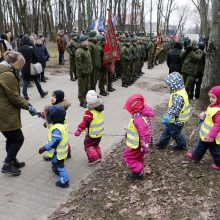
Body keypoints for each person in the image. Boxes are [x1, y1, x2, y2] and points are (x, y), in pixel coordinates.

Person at [0, 51, 38, 176]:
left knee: (11, 138)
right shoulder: (7, 75)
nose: (21, 68)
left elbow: (15, 95)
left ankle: (12, 160)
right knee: (18, 138)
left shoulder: (6, 71)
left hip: (5, 109)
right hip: (5, 111)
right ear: (13, 62)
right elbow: (14, 97)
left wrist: (28, 105)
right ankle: (7, 164)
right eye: (19, 65)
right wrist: (28, 107)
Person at [186, 86, 220, 170]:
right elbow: (209, 113)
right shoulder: (213, 106)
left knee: (215, 151)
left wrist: (211, 136)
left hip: (213, 137)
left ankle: (219, 163)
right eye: (210, 97)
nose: (211, 99)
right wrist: (204, 114)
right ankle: (196, 156)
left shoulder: (218, 111)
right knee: (201, 146)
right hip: (205, 135)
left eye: (213, 97)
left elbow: (218, 125)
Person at [155, 72, 191, 150]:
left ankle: (182, 145)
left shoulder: (178, 96)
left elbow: (175, 109)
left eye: (169, 85)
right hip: (174, 119)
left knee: (175, 133)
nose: (168, 87)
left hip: (177, 120)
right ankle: (162, 143)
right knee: (167, 131)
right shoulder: (180, 91)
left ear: (174, 85)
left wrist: (167, 116)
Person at [123, 94, 154, 180]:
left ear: (133, 109)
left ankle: (138, 171)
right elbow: (136, 129)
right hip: (138, 144)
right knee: (139, 157)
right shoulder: (138, 115)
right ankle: (139, 170)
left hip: (135, 145)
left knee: (128, 157)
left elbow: (144, 134)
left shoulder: (138, 119)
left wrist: (145, 146)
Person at [38, 105, 70, 188]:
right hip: (60, 151)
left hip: (58, 152)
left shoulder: (57, 129)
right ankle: (56, 169)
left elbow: (54, 142)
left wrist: (44, 148)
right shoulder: (61, 123)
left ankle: (64, 181)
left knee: (60, 165)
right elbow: (49, 123)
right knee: (54, 162)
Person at [74, 90, 104, 165]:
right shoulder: (99, 108)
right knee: (96, 145)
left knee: (88, 145)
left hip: (91, 134)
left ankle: (94, 158)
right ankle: (99, 156)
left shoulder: (89, 111)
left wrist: (79, 129)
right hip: (99, 132)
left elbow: (85, 122)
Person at [42, 90, 72, 161]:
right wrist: (46, 121)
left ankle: (51, 155)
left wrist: (47, 120)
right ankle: (67, 152)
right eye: (52, 96)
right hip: (59, 127)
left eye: (54, 97)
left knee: (53, 141)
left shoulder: (58, 109)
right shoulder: (58, 107)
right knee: (63, 141)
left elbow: (52, 118)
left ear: (59, 99)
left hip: (57, 128)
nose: (52, 98)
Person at [19, 36, 48, 100]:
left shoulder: (20, 49)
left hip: (24, 67)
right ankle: (42, 93)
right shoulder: (31, 48)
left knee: (25, 81)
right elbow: (36, 58)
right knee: (36, 80)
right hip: (32, 67)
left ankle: (25, 95)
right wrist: (38, 61)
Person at [75, 34, 92, 108]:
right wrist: (82, 72)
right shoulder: (79, 51)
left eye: (87, 40)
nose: (87, 41)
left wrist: (90, 69)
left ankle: (86, 99)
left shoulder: (87, 49)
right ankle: (82, 101)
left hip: (87, 72)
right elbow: (79, 64)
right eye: (85, 40)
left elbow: (89, 61)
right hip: (82, 73)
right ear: (82, 42)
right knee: (82, 88)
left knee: (87, 87)